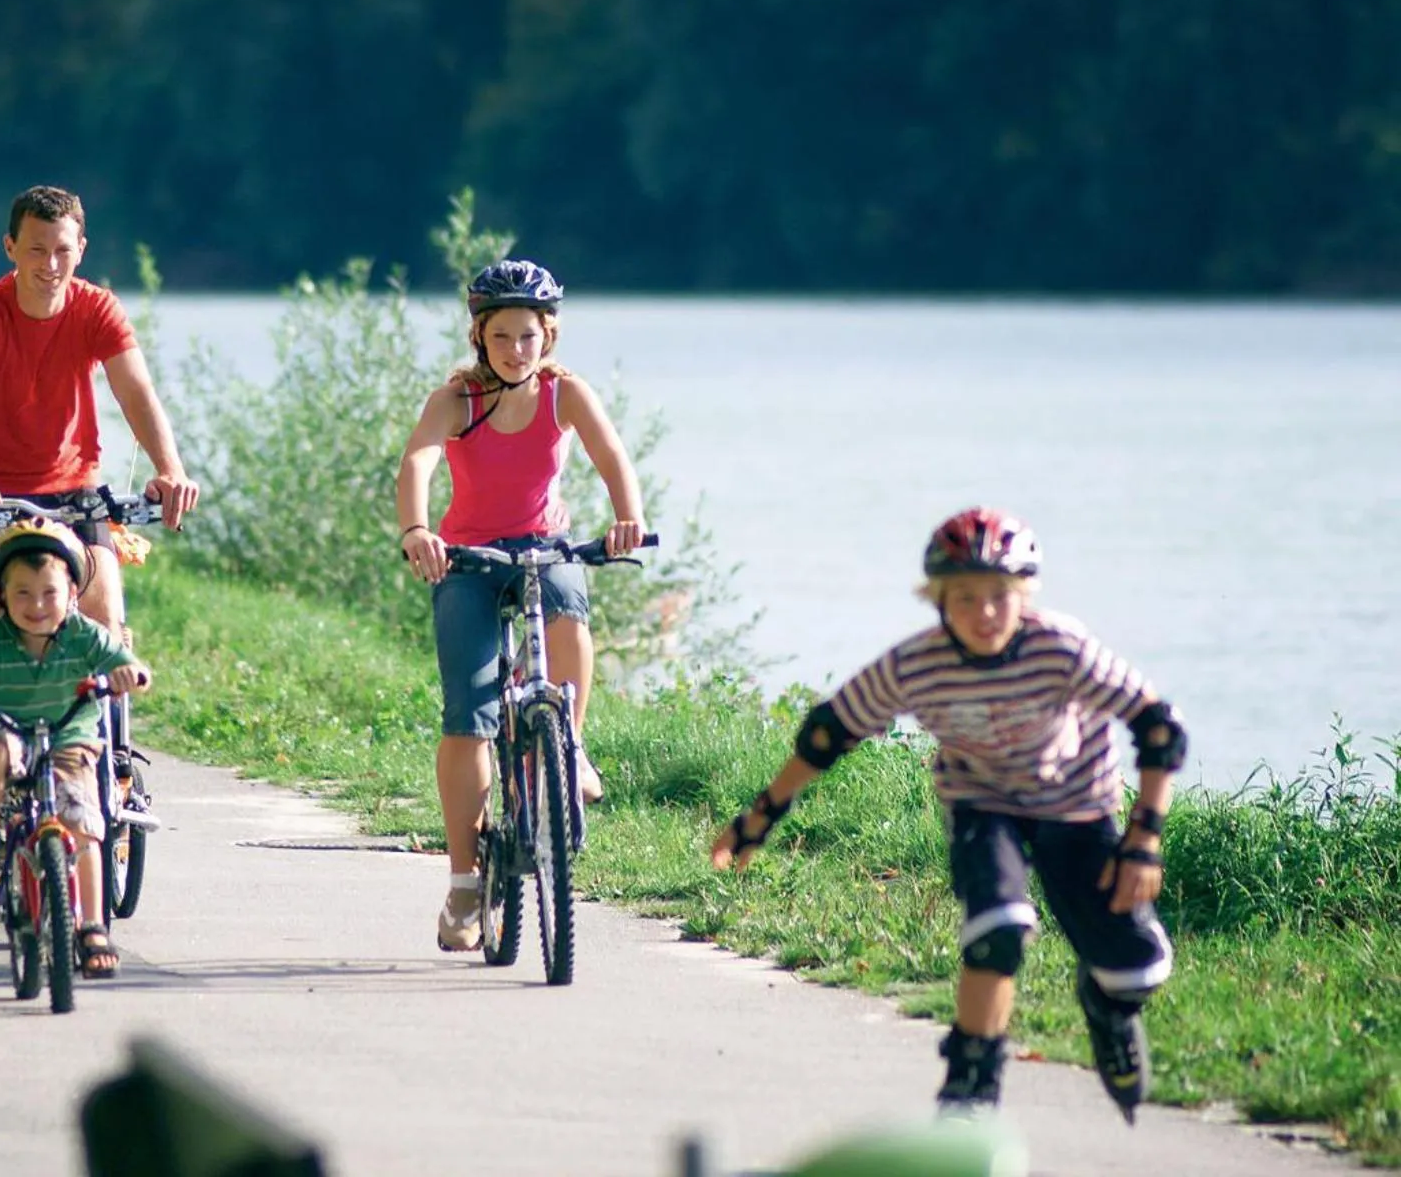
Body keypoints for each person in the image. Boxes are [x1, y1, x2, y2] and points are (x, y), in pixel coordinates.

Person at [709, 508, 1187, 1120]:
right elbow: (830, 732)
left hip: (1076, 806)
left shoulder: (1061, 648)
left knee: (1136, 971)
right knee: (997, 932)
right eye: (964, 598)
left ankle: (1107, 1005)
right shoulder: (918, 664)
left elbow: (1158, 728)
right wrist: (762, 816)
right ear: (937, 600)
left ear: (1022, 597)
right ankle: (971, 1089)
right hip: (982, 806)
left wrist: (1144, 836)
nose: (983, 613)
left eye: (998, 597)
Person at [395, 259, 648, 953]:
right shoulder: (456, 400)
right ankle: (464, 886)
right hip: (470, 558)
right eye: (500, 336)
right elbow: (418, 460)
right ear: (480, 336)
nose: (515, 350)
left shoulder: (566, 394)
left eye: (527, 336)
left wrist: (627, 516)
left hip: (543, 546)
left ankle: (571, 745)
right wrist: (418, 530)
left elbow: (611, 453)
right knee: (469, 716)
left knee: (570, 609)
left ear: (548, 337)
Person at [0, 185, 198, 636]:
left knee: (105, 624)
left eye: (62, 250)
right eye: (36, 249)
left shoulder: (97, 309)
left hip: (74, 492)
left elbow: (136, 391)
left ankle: (93, 707)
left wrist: (170, 470)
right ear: (10, 247)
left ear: (82, 250)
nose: (50, 265)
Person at [0, 519, 149, 979]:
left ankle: (91, 927)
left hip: (70, 736)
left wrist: (132, 675)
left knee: (84, 827)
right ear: (2, 596)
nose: (36, 605)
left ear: (71, 593)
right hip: (11, 729)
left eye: (49, 593)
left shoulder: (85, 634)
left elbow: (127, 664)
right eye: (22, 593)